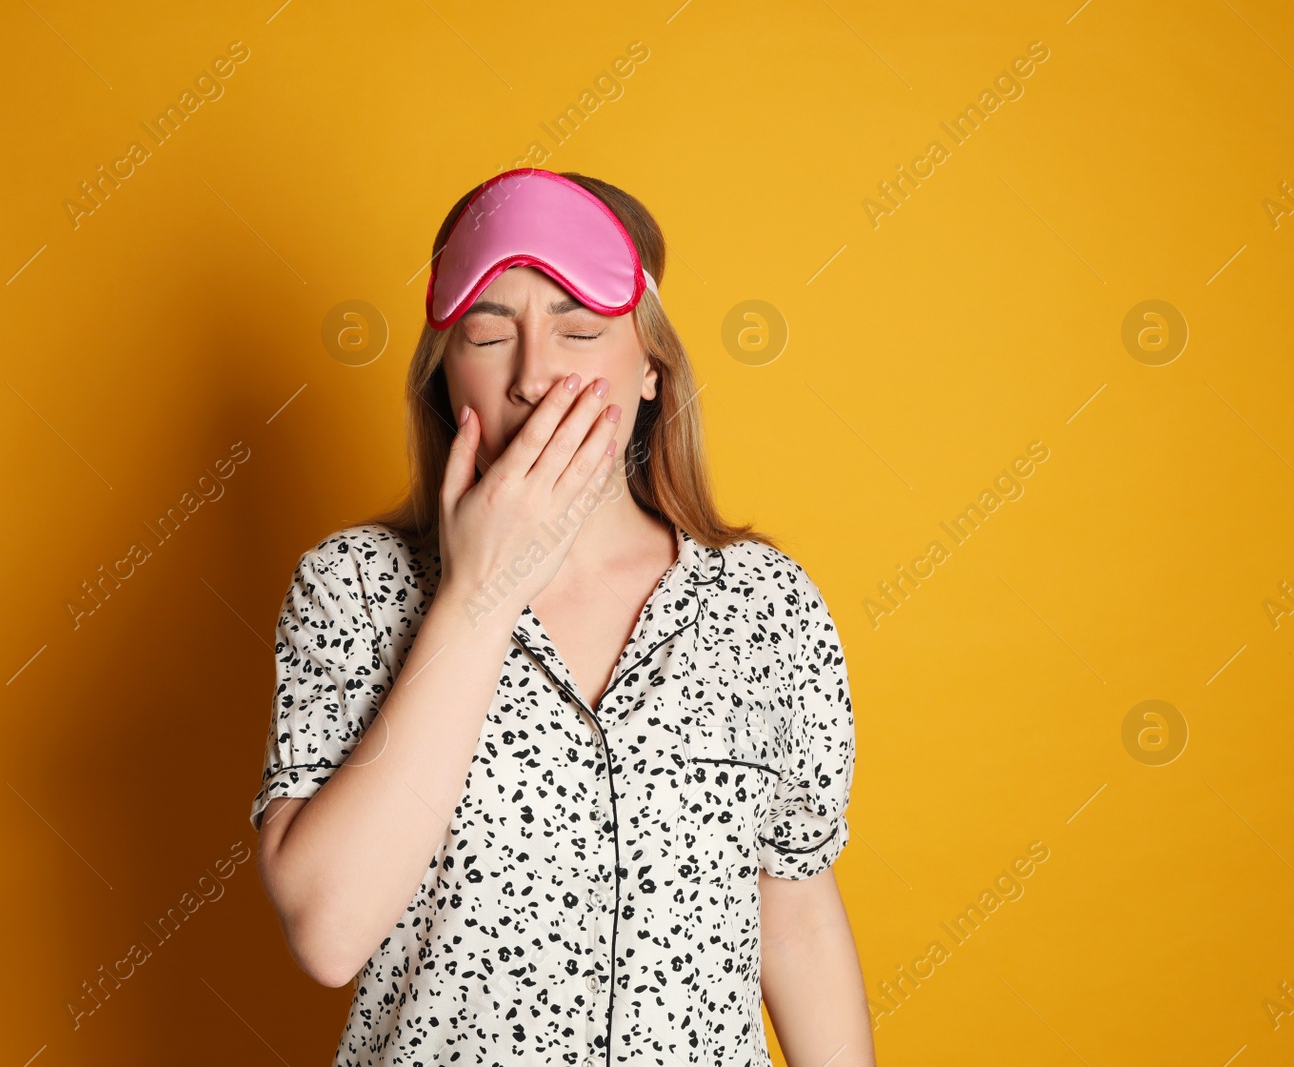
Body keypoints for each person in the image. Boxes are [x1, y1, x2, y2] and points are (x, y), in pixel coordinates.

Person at [251, 168, 873, 1067]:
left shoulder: (763, 606)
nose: (535, 374)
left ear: (653, 369)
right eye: (488, 333)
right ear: (446, 378)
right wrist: (481, 593)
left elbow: (798, 911)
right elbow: (329, 929)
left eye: (579, 331)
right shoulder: (352, 589)